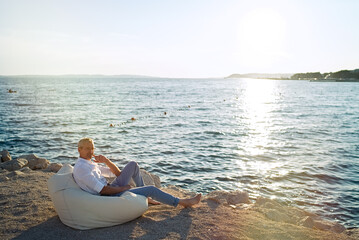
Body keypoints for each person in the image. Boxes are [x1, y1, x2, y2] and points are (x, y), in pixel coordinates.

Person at [73, 138, 201, 207]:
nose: (91, 152)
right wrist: (123, 188)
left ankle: (146, 197)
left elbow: (117, 174)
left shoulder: (90, 164)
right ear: (79, 150)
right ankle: (183, 202)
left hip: (111, 188)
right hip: (107, 196)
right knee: (151, 188)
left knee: (133, 165)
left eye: (92, 148)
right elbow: (102, 190)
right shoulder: (81, 168)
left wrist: (106, 161)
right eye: (87, 149)